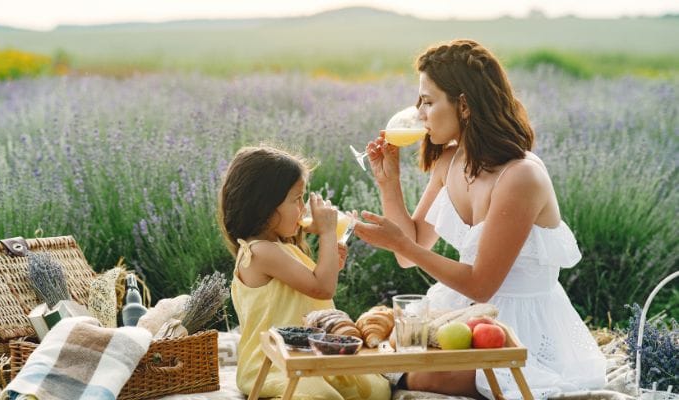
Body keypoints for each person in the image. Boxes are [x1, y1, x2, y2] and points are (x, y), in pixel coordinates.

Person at [353, 39, 606, 399]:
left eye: (428, 101)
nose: (419, 113)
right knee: (395, 346)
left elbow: (481, 284)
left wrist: (399, 241)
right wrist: (388, 182)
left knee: (430, 377)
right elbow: (409, 255)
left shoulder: (521, 176)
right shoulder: (449, 161)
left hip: (515, 323)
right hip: (462, 311)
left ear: (465, 105)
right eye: (418, 102)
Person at [218, 145, 391, 400]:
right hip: (272, 363)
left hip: (310, 355)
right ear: (264, 205)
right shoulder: (260, 252)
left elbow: (312, 284)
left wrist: (331, 259)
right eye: (296, 199)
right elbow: (322, 287)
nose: (303, 208)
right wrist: (328, 233)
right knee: (323, 397)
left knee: (375, 389)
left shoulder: (283, 248)